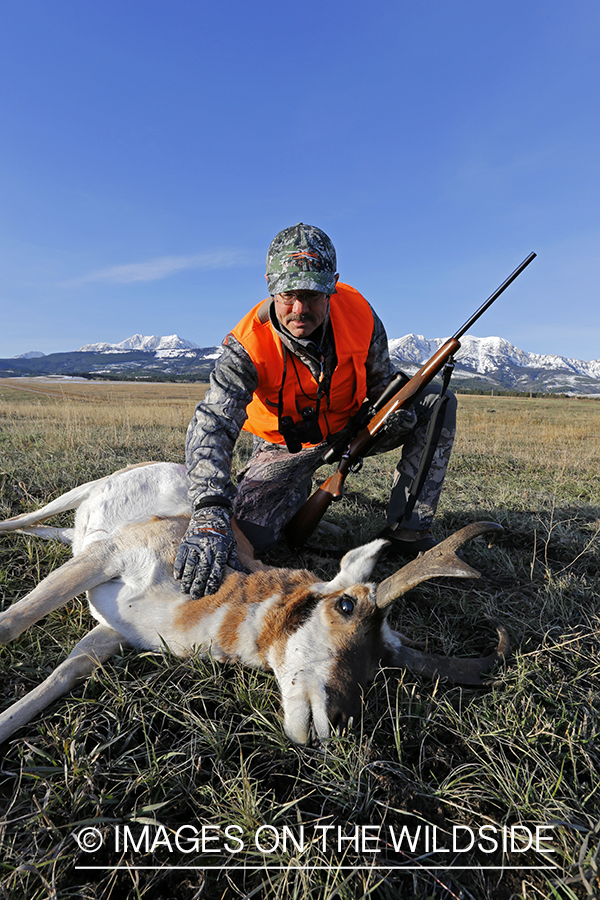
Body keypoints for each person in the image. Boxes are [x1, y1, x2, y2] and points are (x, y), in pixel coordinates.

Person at [174, 223, 456, 599]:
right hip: (284, 448)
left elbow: (382, 381)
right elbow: (213, 425)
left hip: (353, 427)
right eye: (289, 295)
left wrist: (396, 413)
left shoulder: (360, 315)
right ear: (271, 286)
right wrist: (209, 510)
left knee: (434, 400)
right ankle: (292, 493)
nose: (299, 309)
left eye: (313, 295)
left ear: (333, 285)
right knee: (252, 538)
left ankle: (409, 528)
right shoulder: (246, 345)